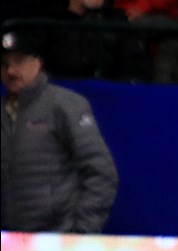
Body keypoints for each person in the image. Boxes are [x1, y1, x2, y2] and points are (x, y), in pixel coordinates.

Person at [1, 29, 119, 233]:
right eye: (4, 64)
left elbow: (101, 172)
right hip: (11, 245)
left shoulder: (65, 105)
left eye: (19, 61)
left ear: (38, 62)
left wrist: (81, 230)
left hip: (59, 241)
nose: (10, 71)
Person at [44, 0, 152, 81]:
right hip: (62, 94)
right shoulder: (50, 22)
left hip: (109, 96)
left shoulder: (119, 21)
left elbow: (136, 69)